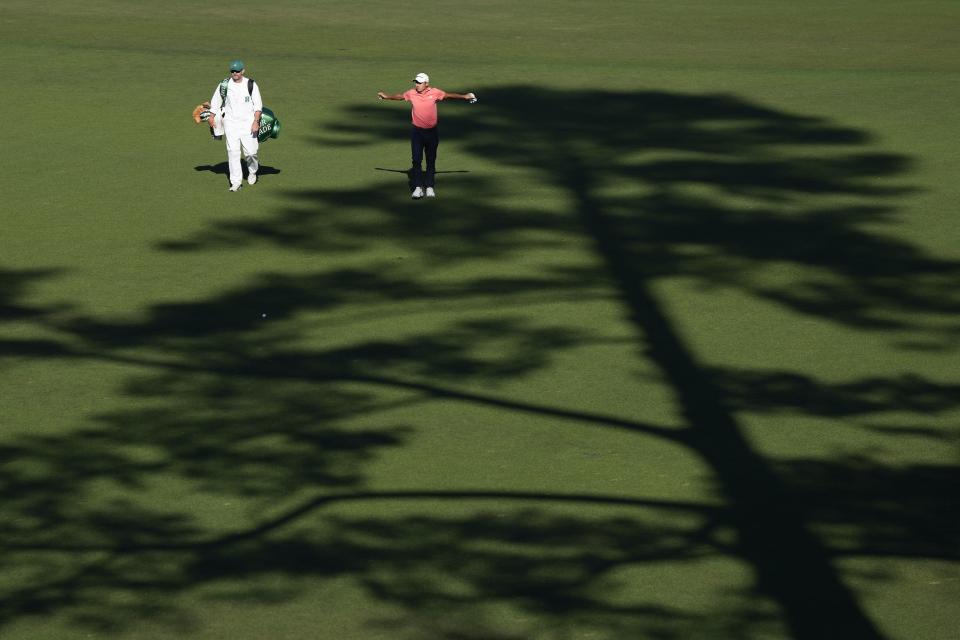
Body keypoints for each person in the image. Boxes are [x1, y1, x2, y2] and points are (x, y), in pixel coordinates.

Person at [378, 73, 476, 199]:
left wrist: (465, 96)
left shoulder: (435, 92)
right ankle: (418, 188)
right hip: (417, 133)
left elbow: (449, 95)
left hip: (432, 133)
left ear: (426, 84)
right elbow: (400, 97)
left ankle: (429, 187)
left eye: (419, 82)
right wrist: (387, 97)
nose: (417, 85)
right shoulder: (411, 93)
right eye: (416, 82)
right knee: (416, 160)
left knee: (431, 160)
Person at [209, 59, 263, 192]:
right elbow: (216, 101)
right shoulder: (224, 84)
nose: (235, 73)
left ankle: (252, 171)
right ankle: (236, 182)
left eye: (237, 71)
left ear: (243, 71)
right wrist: (211, 117)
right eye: (233, 71)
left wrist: (256, 122)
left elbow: (258, 106)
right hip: (231, 124)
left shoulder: (251, 84)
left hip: (248, 124)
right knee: (233, 152)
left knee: (251, 153)